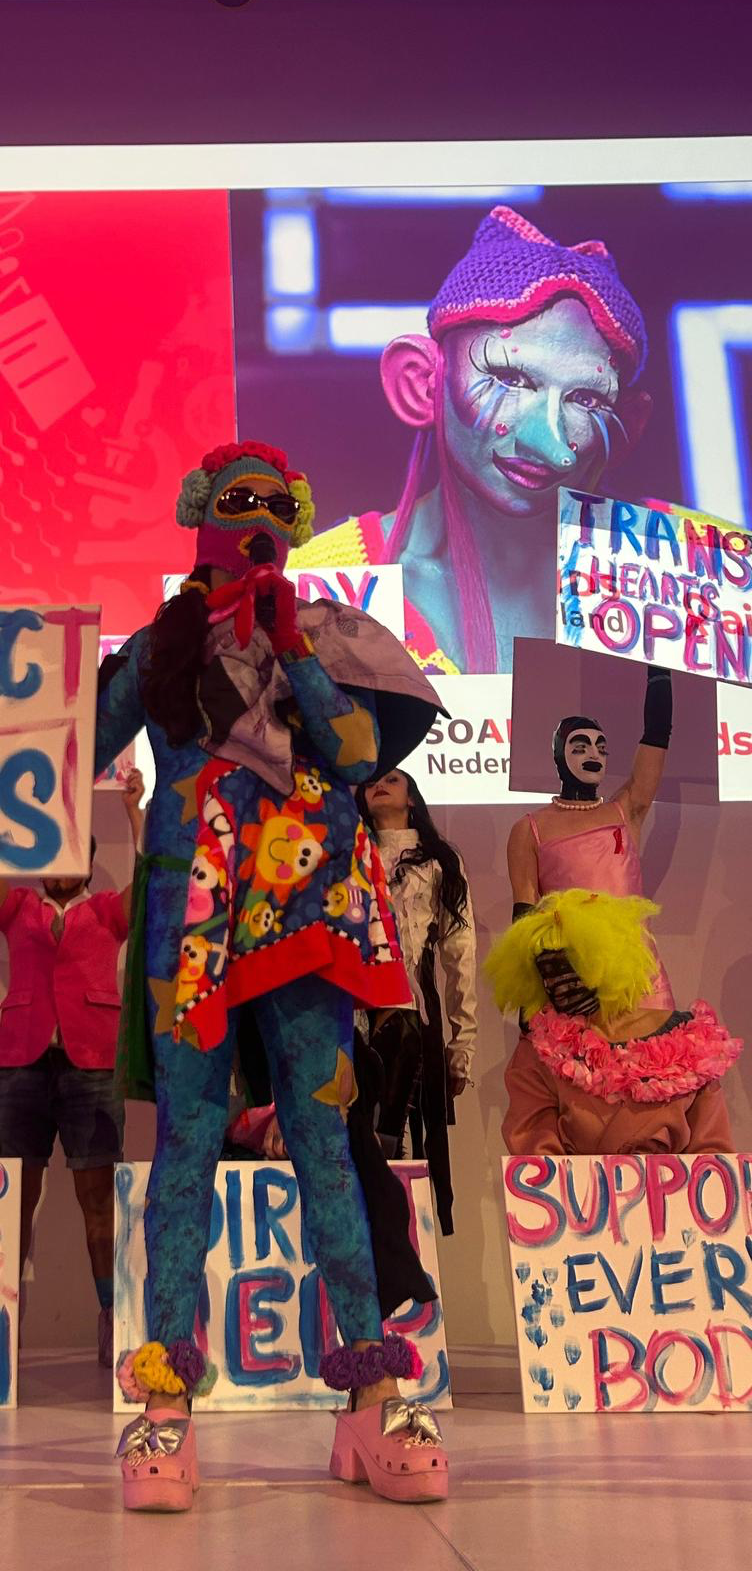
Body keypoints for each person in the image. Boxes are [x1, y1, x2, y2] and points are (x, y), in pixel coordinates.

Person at [97, 440, 448, 1510]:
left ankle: (372, 1397)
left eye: (273, 504)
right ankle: (166, 1403)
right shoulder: (158, 643)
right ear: (201, 512)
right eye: (235, 499)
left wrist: (292, 645)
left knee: (326, 1144)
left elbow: (359, 755)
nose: (255, 519)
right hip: (190, 918)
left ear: (294, 521)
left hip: (305, 912)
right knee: (187, 1145)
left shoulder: (329, 633)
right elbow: (84, 737)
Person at [290, 204, 651, 674]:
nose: (550, 445)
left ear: (625, 426)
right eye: (509, 378)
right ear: (421, 383)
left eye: (586, 399)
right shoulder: (316, 588)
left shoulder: (689, 577)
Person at [0, 772, 144, 1366]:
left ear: (89, 863)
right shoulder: (18, 907)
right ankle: (1, 1322)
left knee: (99, 1202)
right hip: (22, 1065)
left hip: (91, 1064)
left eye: (72, 854)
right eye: (51, 853)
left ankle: (112, 1319)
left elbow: (150, 883)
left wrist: (135, 813)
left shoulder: (106, 912)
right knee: (12, 1199)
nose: (61, 865)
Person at [485, 888, 739, 1155]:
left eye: (569, 965)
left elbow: (712, 1156)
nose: (557, 983)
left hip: (675, 1184)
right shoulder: (539, 1052)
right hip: (577, 1184)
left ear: (606, 961)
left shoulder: (690, 1045)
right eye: (546, 971)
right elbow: (537, 1156)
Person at [507, 666, 674, 1006]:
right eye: (580, 747)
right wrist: (532, 994)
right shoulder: (529, 829)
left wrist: (660, 669)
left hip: (640, 983)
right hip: (574, 985)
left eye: (600, 747)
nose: (593, 754)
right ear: (559, 755)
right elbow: (526, 918)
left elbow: (656, 734)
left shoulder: (626, 810)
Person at [355, 768, 476, 1236]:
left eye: (392, 779)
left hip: (410, 1009)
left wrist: (463, 1045)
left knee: (403, 1134)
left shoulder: (439, 861)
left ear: (412, 797)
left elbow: (460, 953)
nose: (379, 785)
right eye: (371, 781)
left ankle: (405, 1241)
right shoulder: (347, 854)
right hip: (351, 1010)